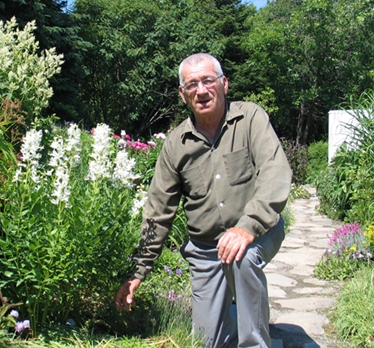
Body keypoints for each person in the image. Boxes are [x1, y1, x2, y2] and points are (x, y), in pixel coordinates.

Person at [115, 53, 292, 348]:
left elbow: (275, 173)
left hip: (257, 233)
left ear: (224, 84)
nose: (201, 90)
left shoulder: (250, 119)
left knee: (243, 258)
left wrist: (247, 227)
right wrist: (137, 272)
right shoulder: (175, 145)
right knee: (206, 342)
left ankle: (255, 343)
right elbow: (158, 212)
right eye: (192, 84)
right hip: (206, 248)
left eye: (208, 80)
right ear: (183, 95)